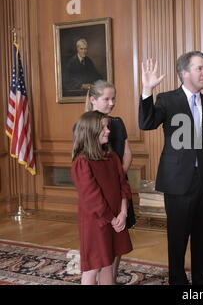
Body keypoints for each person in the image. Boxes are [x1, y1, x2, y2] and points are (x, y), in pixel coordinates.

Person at [138, 52, 203, 285]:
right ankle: (177, 278)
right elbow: (146, 123)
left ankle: (201, 278)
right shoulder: (167, 99)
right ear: (184, 72)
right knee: (177, 234)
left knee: (202, 234)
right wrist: (147, 92)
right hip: (177, 179)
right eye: (200, 68)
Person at [71, 110, 133, 285]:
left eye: (107, 126)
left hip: (116, 217)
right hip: (96, 222)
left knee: (109, 262)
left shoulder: (112, 156)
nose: (108, 131)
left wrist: (123, 213)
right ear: (90, 132)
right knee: (93, 267)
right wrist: (111, 218)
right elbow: (92, 197)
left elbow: (123, 185)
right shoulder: (82, 162)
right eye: (103, 127)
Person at [85, 80, 135, 283]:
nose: (112, 103)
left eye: (113, 98)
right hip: (98, 193)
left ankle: (111, 278)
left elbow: (127, 154)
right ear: (93, 100)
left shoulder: (117, 123)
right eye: (107, 99)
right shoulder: (84, 124)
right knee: (100, 241)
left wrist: (116, 181)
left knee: (119, 237)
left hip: (119, 187)